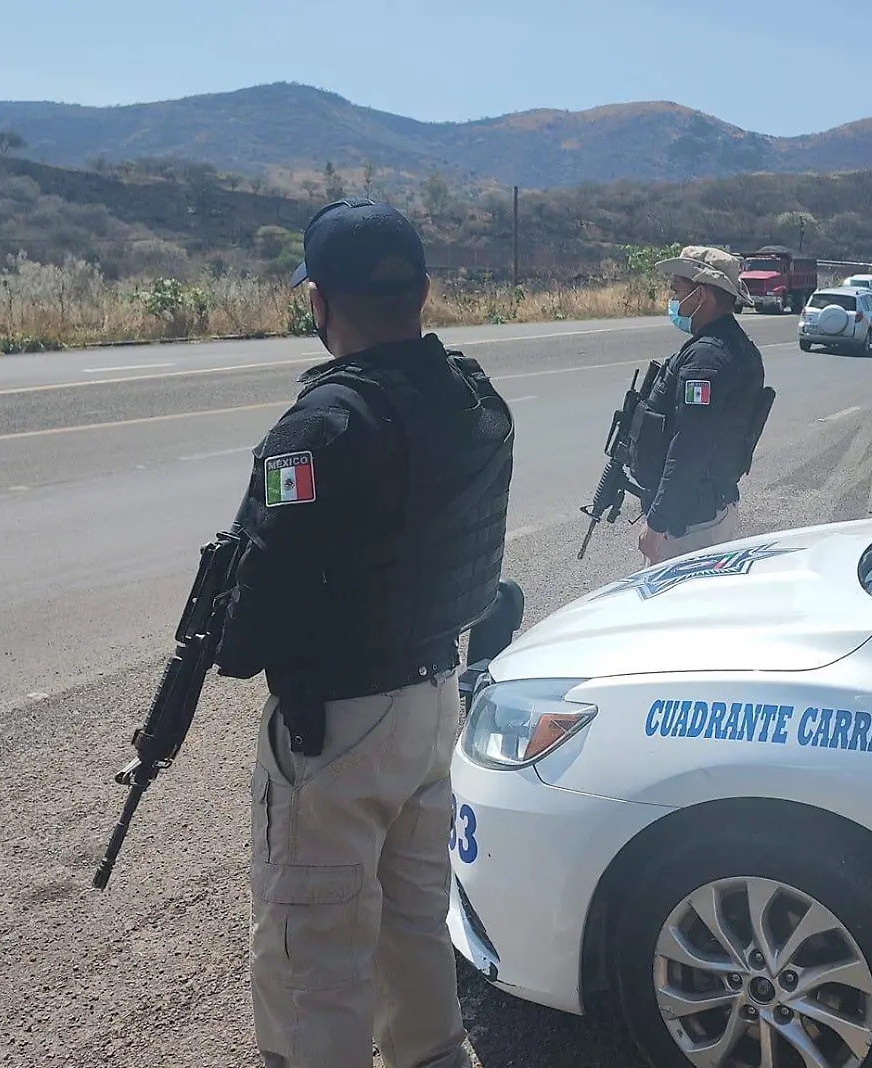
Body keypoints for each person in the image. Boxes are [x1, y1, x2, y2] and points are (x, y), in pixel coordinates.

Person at [213, 199, 513, 1068]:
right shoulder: (471, 397)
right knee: (415, 920)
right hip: (431, 703)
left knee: (315, 953)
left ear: (319, 304)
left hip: (336, 724)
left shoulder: (320, 427)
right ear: (422, 291)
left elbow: (248, 631)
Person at [628, 245, 768, 565]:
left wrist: (657, 523)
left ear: (701, 295)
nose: (673, 301)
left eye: (677, 291)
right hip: (708, 508)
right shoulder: (737, 346)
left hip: (691, 522)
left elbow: (691, 444)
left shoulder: (706, 358)